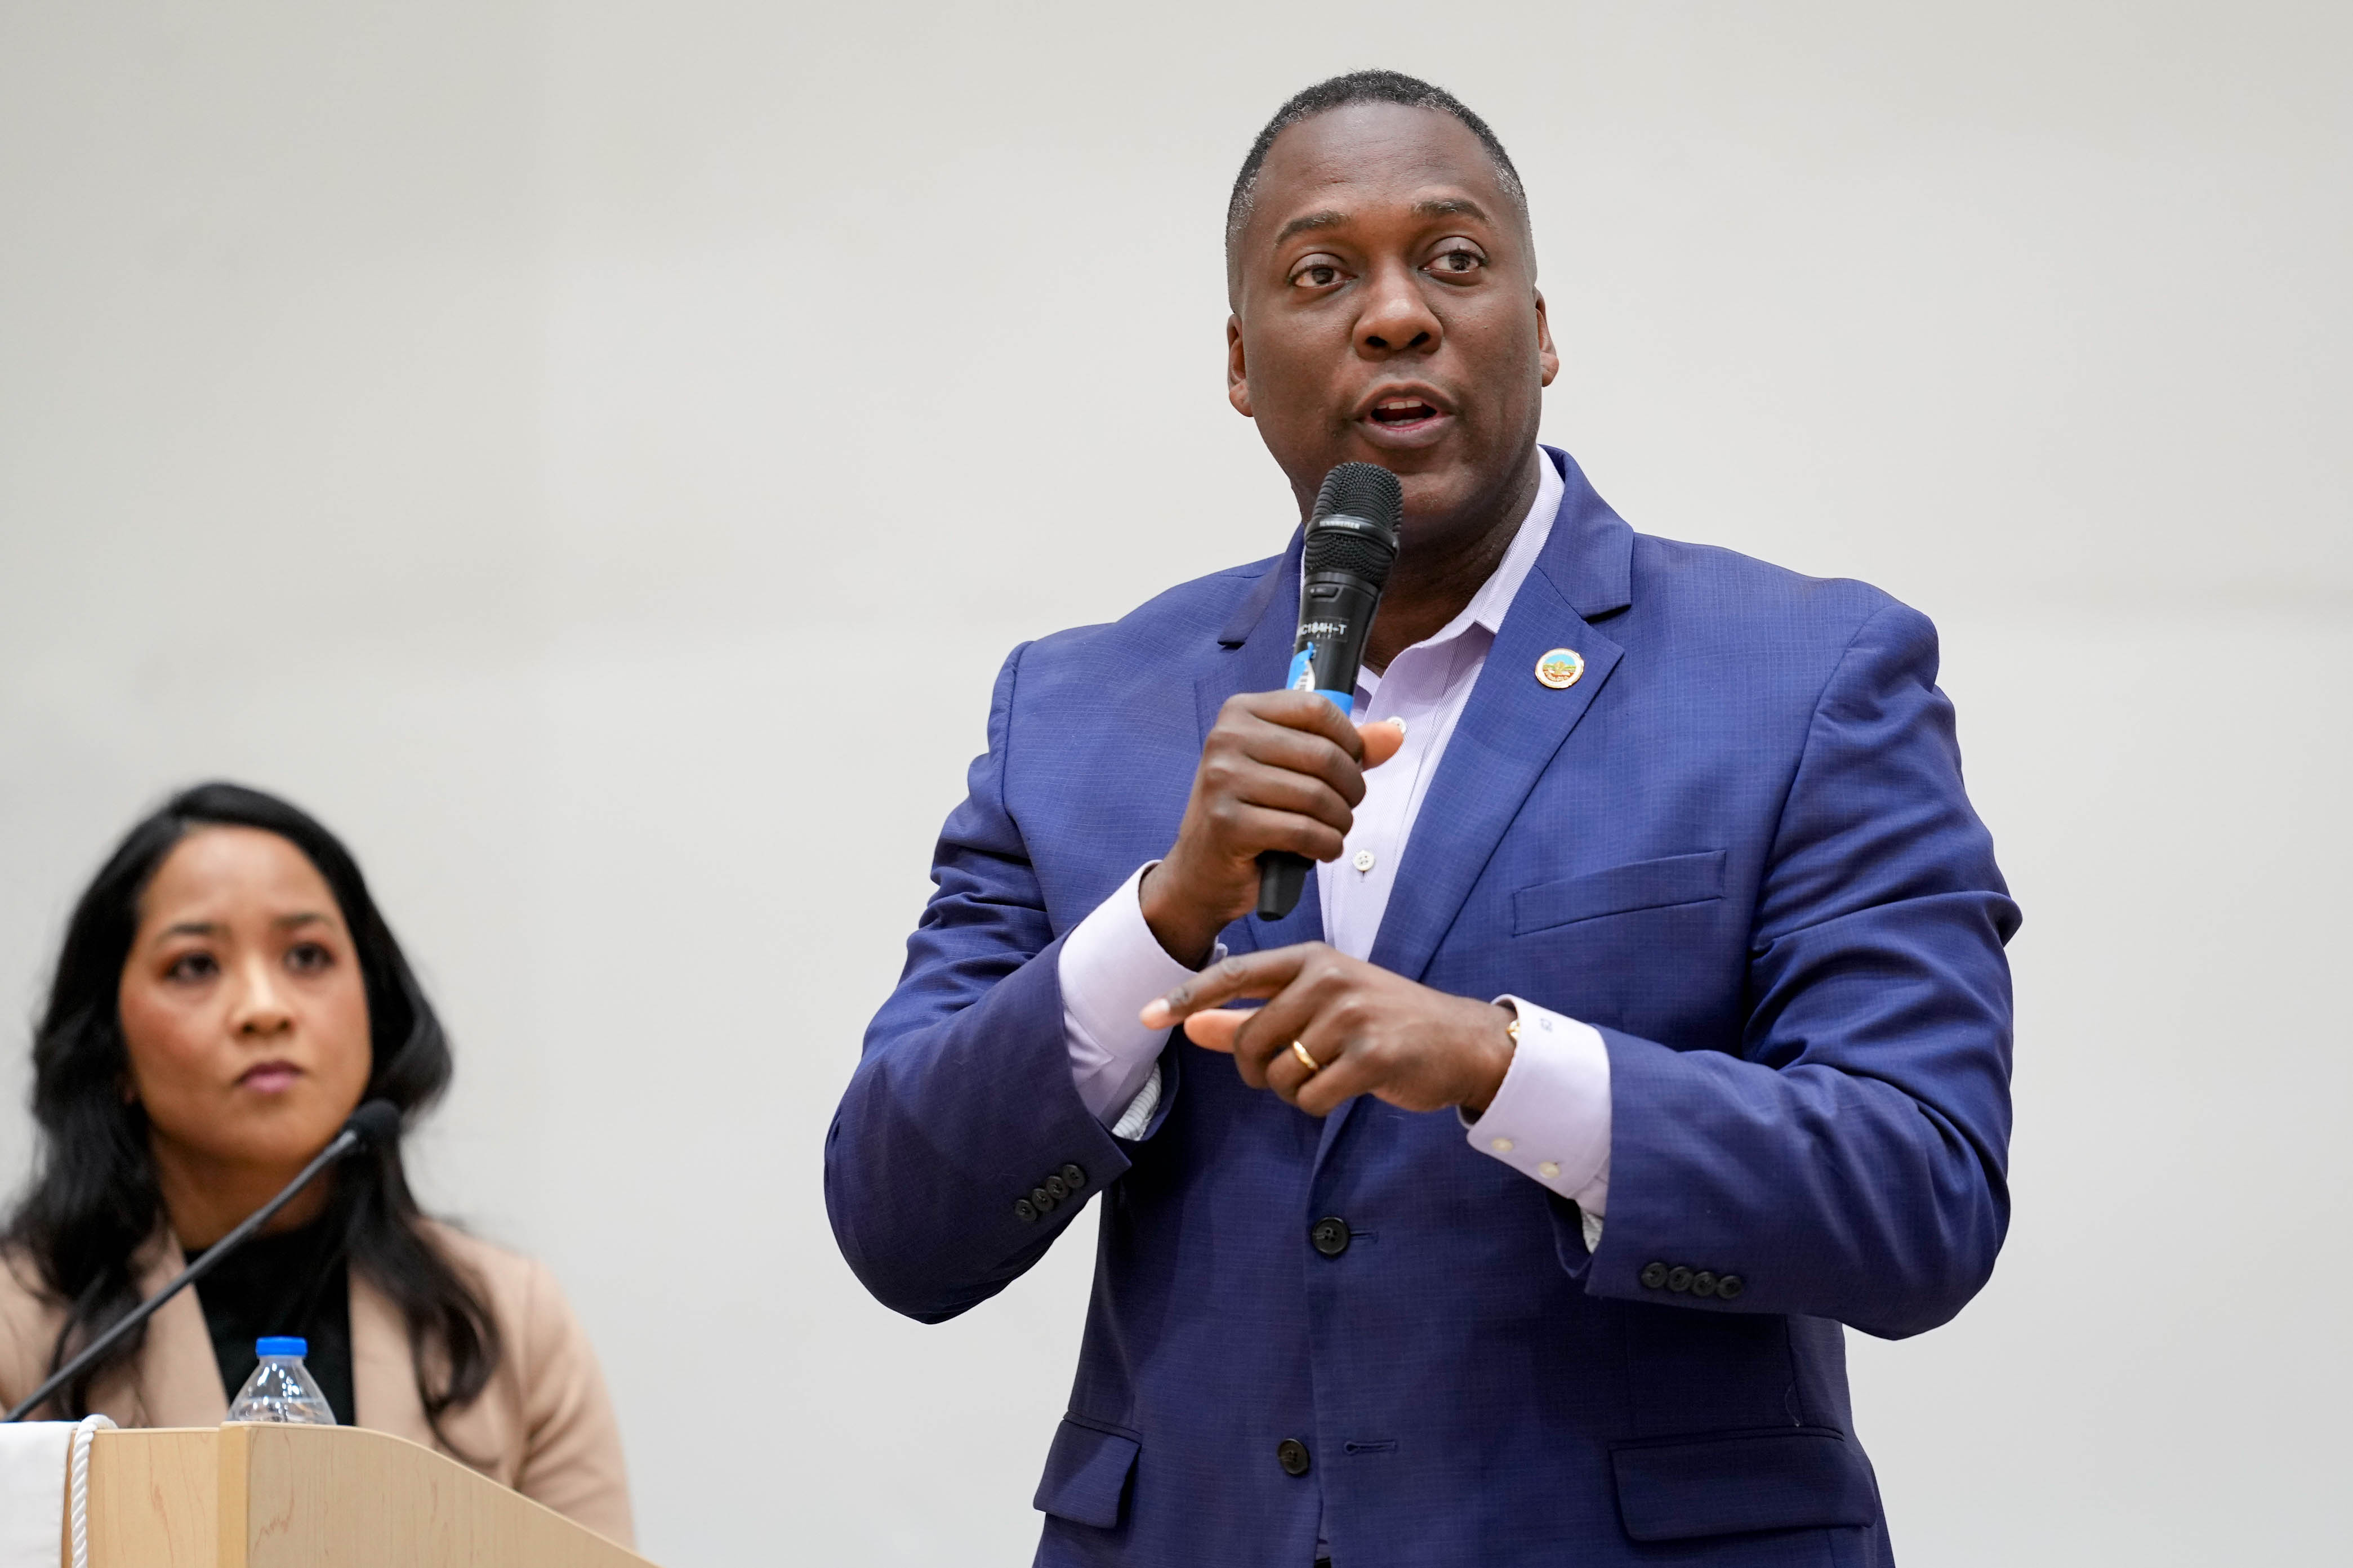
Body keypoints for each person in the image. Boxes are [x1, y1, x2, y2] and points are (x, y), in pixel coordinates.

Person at [827, 69, 2018, 1566]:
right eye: (1321, 274)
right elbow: (895, 1217)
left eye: (1453, 261)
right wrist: (1159, 921)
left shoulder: (1807, 678)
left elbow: (1921, 1194)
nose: (1395, 314)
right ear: (1241, 365)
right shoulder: (1073, 712)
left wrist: (1497, 1060)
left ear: (1542, 327)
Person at [0, 783, 634, 1548]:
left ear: (373, 1006)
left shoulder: (508, 1319)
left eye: (307, 955)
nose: (265, 1008)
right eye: (196, 965)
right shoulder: (16, 1324)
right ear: (112, 1053)